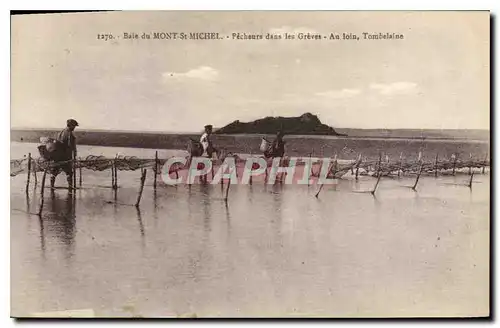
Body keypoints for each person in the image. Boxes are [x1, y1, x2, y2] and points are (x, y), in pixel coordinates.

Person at [49, 119, 79, 190]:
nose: (74, 128)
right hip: (65, 157)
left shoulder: (61, 132)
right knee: (69, 172)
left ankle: (51, 187)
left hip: (57, 156)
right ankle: (70, 188)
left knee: (54, 171)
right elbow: (72, 146)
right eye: (74, 126)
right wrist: (74, 156)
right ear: (71, 125)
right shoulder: (70, 134)